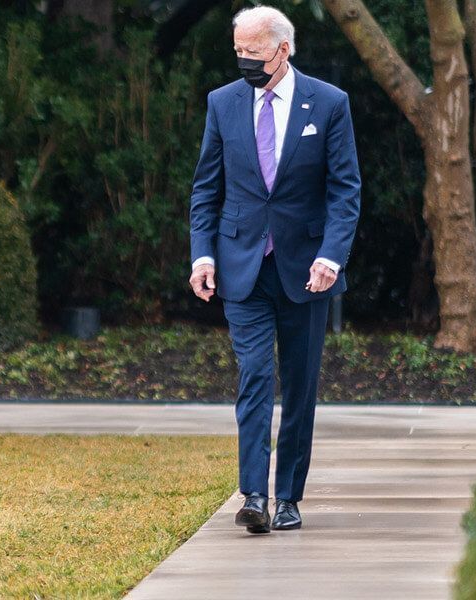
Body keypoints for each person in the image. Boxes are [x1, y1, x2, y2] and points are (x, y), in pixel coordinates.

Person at [187, 5, 361, 534]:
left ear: (283, 49)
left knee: (301, 385)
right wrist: (203, 253)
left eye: (253, 52)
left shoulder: (329, 103)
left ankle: (289, 496)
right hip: (242, 267)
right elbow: (206, 188)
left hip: (307, 269)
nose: (244, 60)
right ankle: (254, 496)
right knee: (256, 377)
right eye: (238, 51)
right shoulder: (223, 103)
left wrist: (331, 256)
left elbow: (344, 189)